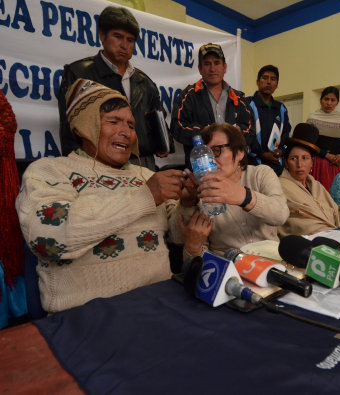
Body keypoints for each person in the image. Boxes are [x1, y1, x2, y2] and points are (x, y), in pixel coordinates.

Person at [16, 79, 185, 313]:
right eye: (113, 122)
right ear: (81, 126)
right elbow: (48, 238)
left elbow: (178, 235)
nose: (126, 132)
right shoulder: (49, 171)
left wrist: (188, 203)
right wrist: (145, 196)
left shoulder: (144, 174)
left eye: (131, 125)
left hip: (157, 304)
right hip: (84, 318)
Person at [57, 6, 167, 171]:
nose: (124, 45)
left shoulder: (146, 83)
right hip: (97, 165)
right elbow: (69, 132)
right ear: (102, 36)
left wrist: (163, 143)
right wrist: (77, 170)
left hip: (142, 164)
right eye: (118, 37)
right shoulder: (78, 73)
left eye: (130, 40)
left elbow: (158, 121)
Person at [176, 123, 289, 258]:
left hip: (272, 262)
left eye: (217, 150)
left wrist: (243, 196)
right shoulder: (201, 191)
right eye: (204, 155)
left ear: (240, 152)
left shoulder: (260, 173)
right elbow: (180, 240)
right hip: (231, 268)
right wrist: (187, 203)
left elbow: (281, 214)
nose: (210, 160)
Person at [170, 43, 255, 168]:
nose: (212, 69)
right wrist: (204, 133)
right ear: (200, 68)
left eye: (216, 63)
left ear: (224, 67)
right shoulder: (188, 96)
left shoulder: (239, 99)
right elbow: (177, 128)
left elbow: (251, 131)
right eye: (207, 64)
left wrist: (237, 134)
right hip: (200, 170)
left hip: (234, 169)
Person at [278, 123, 340, 237]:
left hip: (337, 236)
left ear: (312, 162)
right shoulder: (281, 186)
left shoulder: (316, 185)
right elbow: (295, 223)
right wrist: (329, 232)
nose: (300, 164)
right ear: (286, 163)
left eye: (305, 158)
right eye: (293, 159)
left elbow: (339, 211)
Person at [246, 65, 291, 176]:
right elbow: (246, 135)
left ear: (277, 85)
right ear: (257, 82)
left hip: (277, 168)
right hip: (253, 167)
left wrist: (281, 151)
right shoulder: (247, 104)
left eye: (273, 79)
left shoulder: (281, 108)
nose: (269, 82)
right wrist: (262, 154)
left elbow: (287, 135)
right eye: (265, 78)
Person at [306, 86, 340, 191]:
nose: (329, 103)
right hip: (321, 162)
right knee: (321, 193)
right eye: (326, 99)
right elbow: (310, 143)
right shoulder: (313, 119)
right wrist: (326, 155)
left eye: (333, 100)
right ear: (320, 101)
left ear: (337, 102)